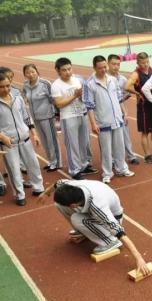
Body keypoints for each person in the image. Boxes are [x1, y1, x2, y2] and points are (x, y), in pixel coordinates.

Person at [40, 179, 151, 275]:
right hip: (93, 207)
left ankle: (109, 242)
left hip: (112, 217)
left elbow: (119, 232)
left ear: (73, 205)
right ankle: (85, 231)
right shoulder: (71, 186)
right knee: (59, 204)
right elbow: (58, 183)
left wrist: (139, 258)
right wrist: (46, 193)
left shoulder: (98, 206)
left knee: (77, 219)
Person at [83, 56, 135, 184]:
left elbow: (118, 98)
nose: (103, 70)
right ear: (94, 68)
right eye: (100, 68)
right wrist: (93, 124)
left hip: (117, 119)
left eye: (105, 67)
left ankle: (121, 168)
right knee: (106, 149)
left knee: (119, 147)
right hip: (103, 121)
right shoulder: (89, 84)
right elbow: (89, 105)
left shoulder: (112, 80)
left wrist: (124, 113)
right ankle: (107, 173)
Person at [0, 73, 44, 206]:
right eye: (1, 87)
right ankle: (19, 194)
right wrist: (2, 137)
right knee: (14, 170)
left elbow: (26, 117)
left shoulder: (18, 98)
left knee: (33, 164)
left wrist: (34, 133)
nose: (6, 89)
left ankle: (38, 187)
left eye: (8, 86)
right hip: (9, 143)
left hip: (25, 138)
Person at [51, 58, 97, 179]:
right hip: (68, 117)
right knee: (72, 144)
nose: (67, 72)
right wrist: (74, 95)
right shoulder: (56, 85)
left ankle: (84, 164)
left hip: (82, 114)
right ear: (58, 71)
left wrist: (82, 97)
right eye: (64, 70)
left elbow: (83, 98)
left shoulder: (78, 80)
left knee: (84, 142)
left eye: (69, 69)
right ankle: (74, 170)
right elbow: (59, 103)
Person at [22, 64, 62, 172]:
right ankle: (51, 161)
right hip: (36, 118)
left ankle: (56, 162)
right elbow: (24, 99)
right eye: (28, 73)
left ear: (37, 72)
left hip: (47, 116)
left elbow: (53, 99)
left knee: (51, 140)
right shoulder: (25, 85)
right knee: (44, 141)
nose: (31, 74)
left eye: (33, 72)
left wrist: (57, 113)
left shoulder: (45, 84)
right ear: (25, 75)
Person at [125, 52, 152, 164]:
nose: (145, 65)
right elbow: (127, 86)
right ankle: (147, 155)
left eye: (147, 62)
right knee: (145, 132)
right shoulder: (135, 74)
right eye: (142, 63)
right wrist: (138, 93)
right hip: (144, 106)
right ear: (138, 62)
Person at [107, 54, 139, 165]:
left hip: (120, 110)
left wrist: (121, 101)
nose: (116, 67)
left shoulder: (122, 79)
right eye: (113, 64)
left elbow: (127, 94)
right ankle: (111, 159)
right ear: (108, 64)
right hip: (107, 112)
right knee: (109, 137)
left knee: (125, 134)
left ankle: (131, 156)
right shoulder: (105, 78)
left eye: (118, 64)